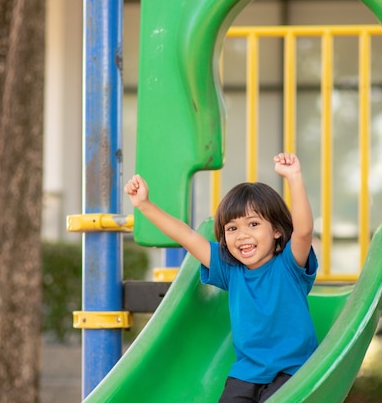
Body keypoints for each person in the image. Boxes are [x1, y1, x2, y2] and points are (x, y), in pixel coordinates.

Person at [124, 152, 319, 403]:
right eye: (232, 228)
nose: (242, 235)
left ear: (278, 231)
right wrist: (144, 205)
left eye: (253, 224)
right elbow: (187, 236)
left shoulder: (289, 266)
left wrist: (294, 178)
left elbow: (303, 231)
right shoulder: (230, 269)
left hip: (294, 371)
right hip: (247, 373)